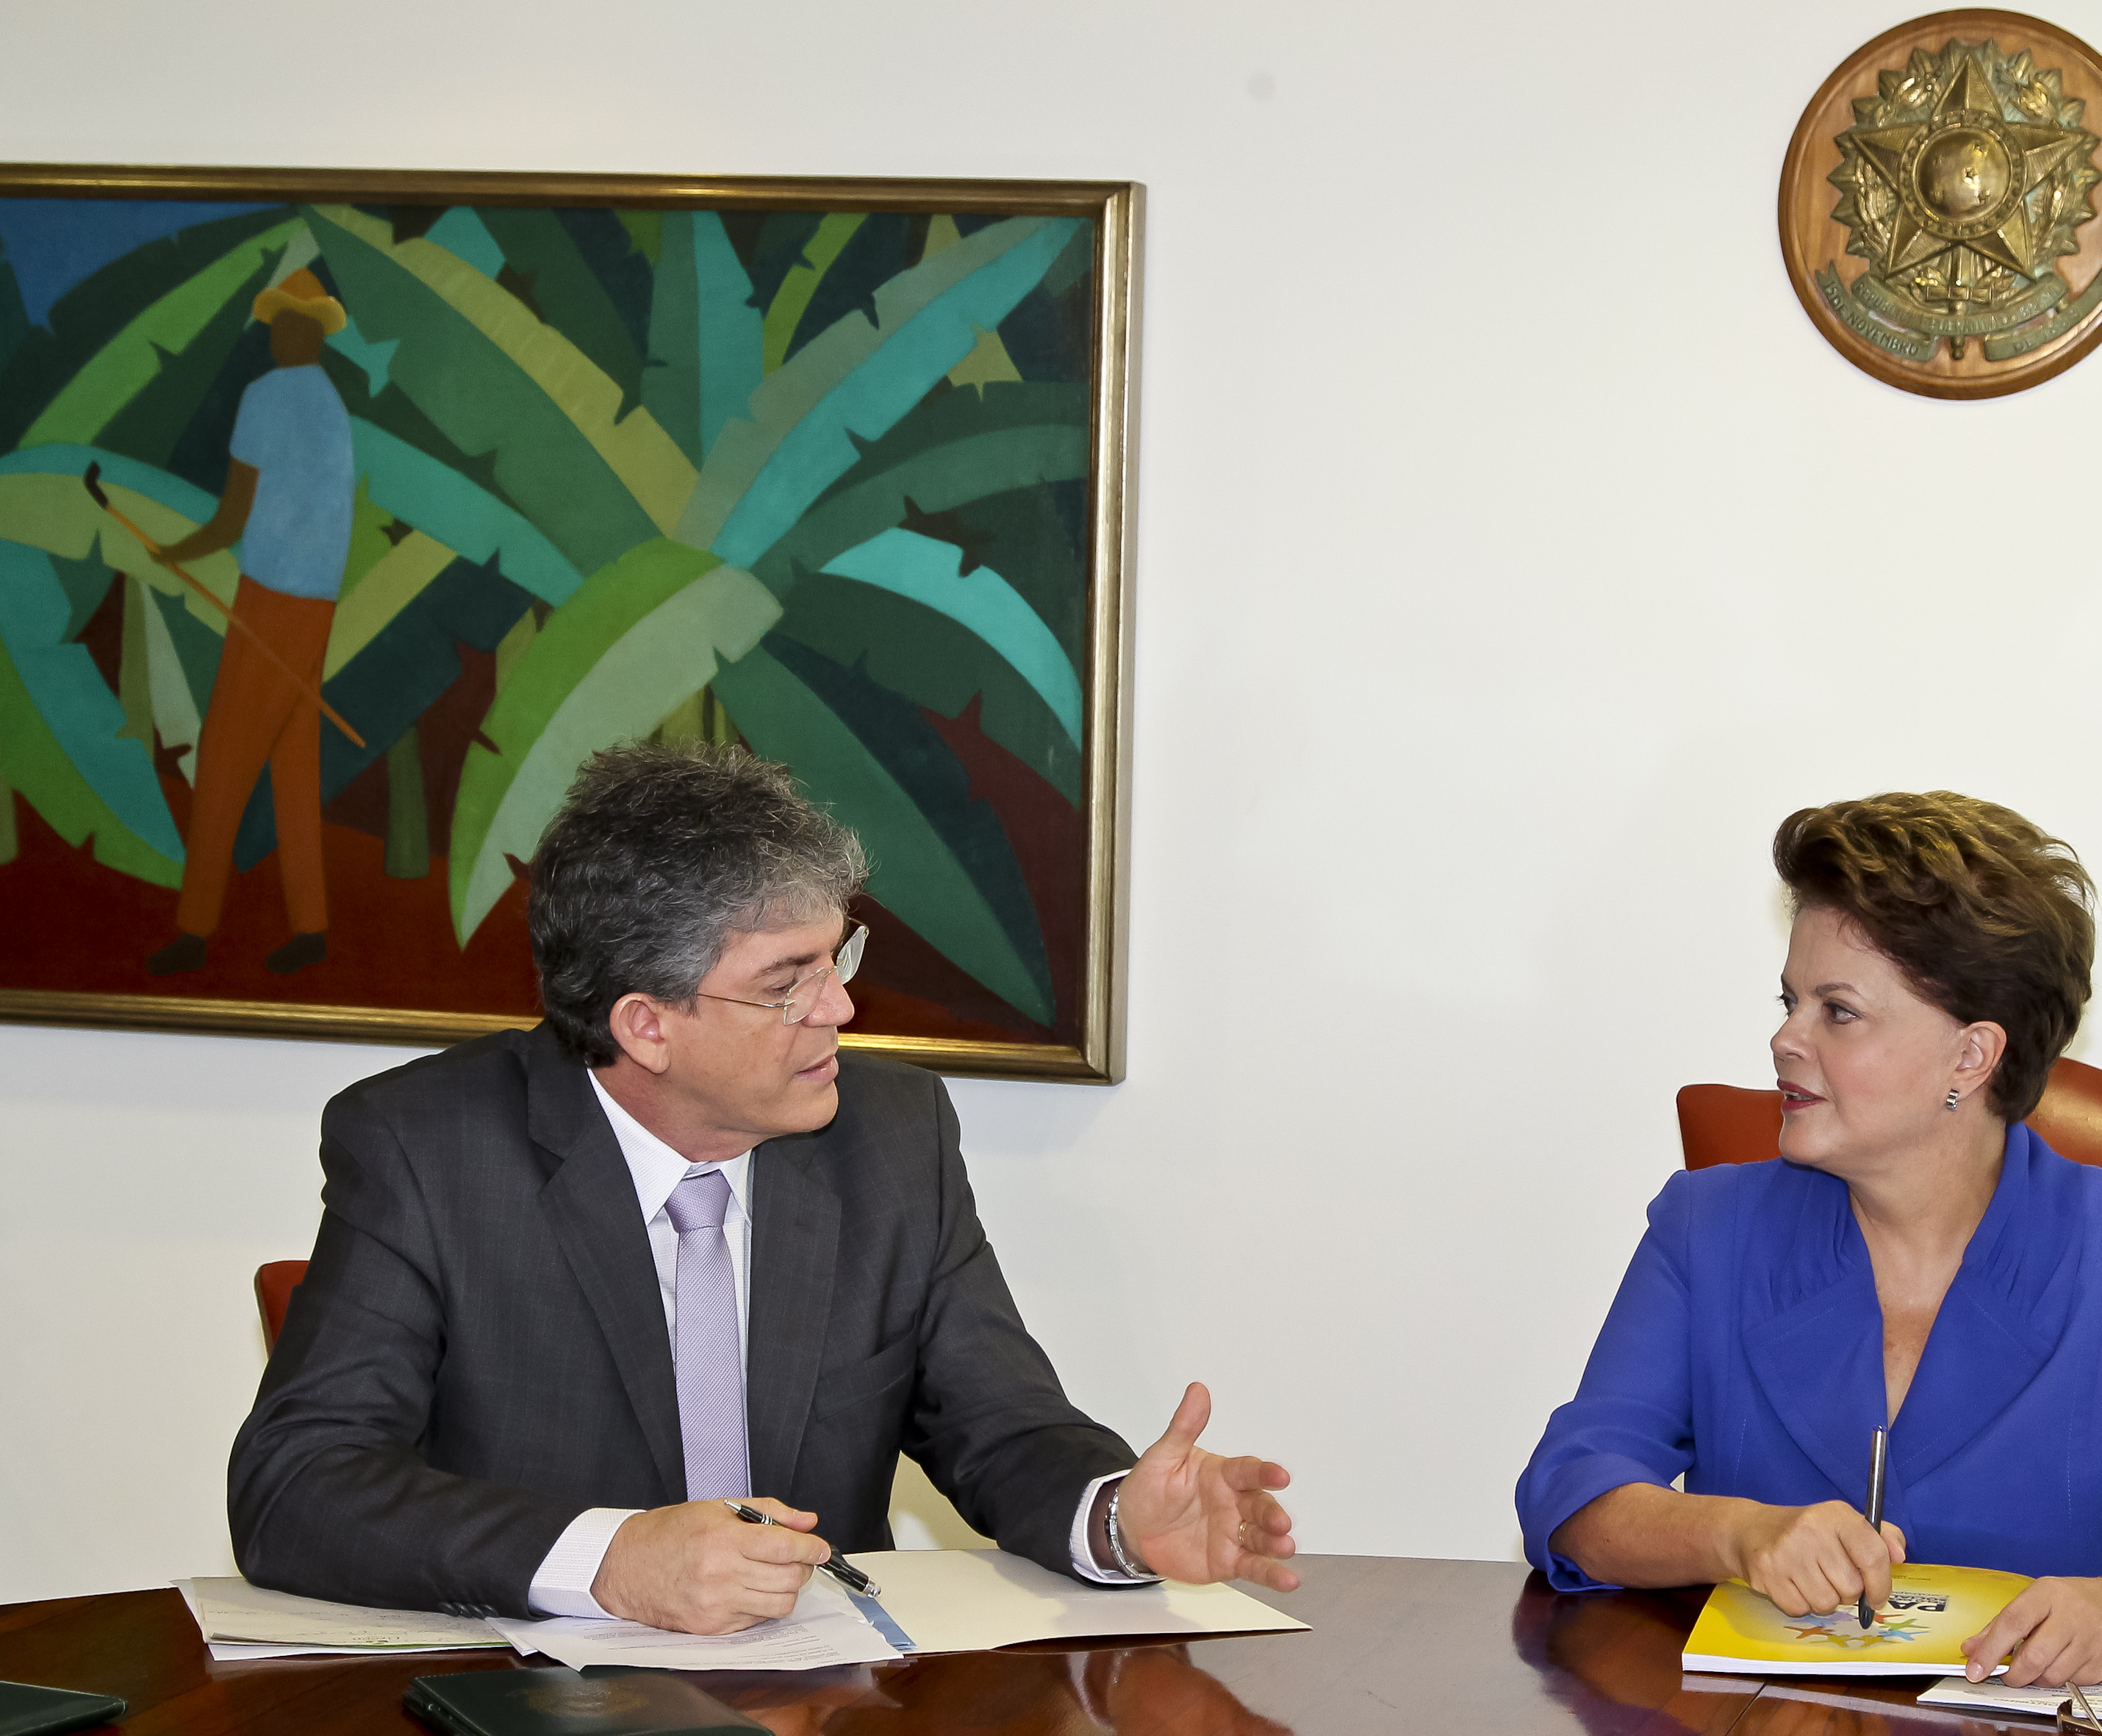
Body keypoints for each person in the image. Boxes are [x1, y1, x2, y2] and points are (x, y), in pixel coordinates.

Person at [230, 742, 1298, 1632]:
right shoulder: (428, 1147)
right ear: (645, 1024)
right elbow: (297, 1485)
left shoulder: (891, 1134)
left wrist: (1115, 1517)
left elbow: (1003, 1427)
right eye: (788, 984)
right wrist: (610, 1557)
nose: (839, 1008)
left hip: (828, 1696)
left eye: (838, 957)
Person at [1515, 792, 2102, 1688]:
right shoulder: (1706, 1227)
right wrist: (1736, 1532)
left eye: (1837, 1011)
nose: (1783, 1038)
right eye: (1791, 999)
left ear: (1971, 1056)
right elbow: (1573, 1490)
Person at [146, 266, 356, 979]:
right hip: (315, 607)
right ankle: (312, 926)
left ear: (306, 333)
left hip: (269, 600)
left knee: (226, 760)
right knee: (293, 767)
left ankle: (196, 929)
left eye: (285, 326)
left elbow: (232, 516)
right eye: (275, 326)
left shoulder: (264, 397)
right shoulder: (331, 406)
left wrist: (177, 550)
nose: (275, 338)